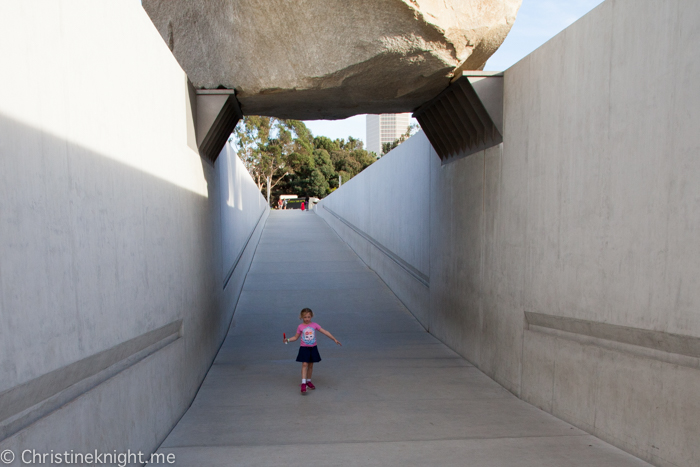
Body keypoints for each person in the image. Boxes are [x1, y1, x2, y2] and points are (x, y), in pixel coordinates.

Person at [284, 308, 341, 395]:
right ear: (302, 317)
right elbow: (295, 338)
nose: (307, 319)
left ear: (311, 316)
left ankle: (308, 381)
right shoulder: (300, 327)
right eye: (305, 317)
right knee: (304, 364)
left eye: (309, 317)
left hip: (313, 348)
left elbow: (325, 332)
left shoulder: (314, 325)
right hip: (304, 348)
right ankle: (303, 384)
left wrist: (334, 339)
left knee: (310, 365)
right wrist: (287, 340)